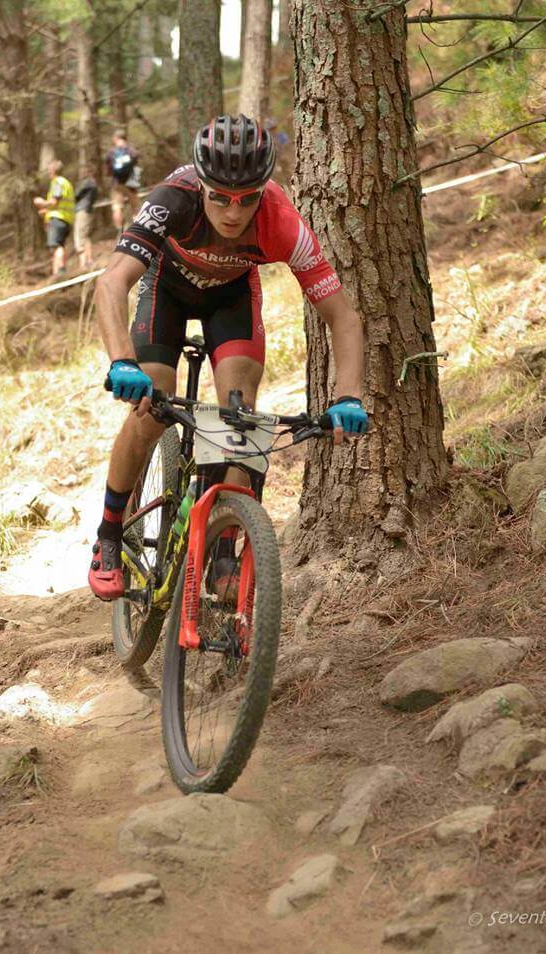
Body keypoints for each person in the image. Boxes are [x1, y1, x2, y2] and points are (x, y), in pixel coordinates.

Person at [88, 114, 368, 600]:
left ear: (264, 190)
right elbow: (111, 282)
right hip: (167, 291)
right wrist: (121, 361)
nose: (233, 211)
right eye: (219, 196)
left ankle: (223, 552)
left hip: (231, 299)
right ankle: (109, 534)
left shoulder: (283, 221)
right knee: (152, 402)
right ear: (201, 184)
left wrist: (348, 395)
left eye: (247, 199)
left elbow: (343, 317)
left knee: (239, 419)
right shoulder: (173, 198)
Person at [33, 159, 75, 277]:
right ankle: (56, 273)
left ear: (52, 170)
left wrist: (42, 203)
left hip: (58, 218)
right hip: (66, 218)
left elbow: (55, 200)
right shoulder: (66, 183)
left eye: (48, 170)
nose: (48, 173)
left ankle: (60, 271)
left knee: (57, 246)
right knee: (59, 245)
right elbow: (61, 203)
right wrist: (46, 211)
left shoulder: (58, 182)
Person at [105, 129, 139, 232]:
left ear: (116, 138)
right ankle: (138, 228)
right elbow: (136, 161)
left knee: (117, 207)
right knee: (135, 207)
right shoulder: (131, 150)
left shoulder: (112, 152)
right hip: (131, 183)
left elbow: (108, 169)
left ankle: (119, 229)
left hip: (117, 183)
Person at [73, 166, 99, 269]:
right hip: (86, 209)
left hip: (83, 210)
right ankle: (85, 262)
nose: (81, 174)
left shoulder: (88, 182)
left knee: (81, 236)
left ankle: (86, 261)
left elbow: (76, 195)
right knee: (84, 235)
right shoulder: (93, 184)